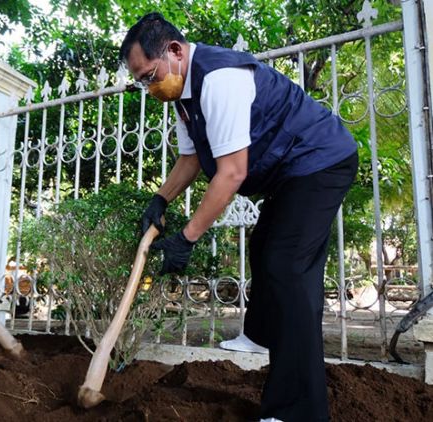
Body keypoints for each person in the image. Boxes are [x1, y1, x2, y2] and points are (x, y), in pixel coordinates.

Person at [121, 13, 357, 422]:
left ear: (175, 51)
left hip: (321, 160)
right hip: (291, 172)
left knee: (288, 269)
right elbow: (191, 158)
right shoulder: (184, 96)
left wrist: (187, 238)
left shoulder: (219, 79)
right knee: (267, 247)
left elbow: (231, 173)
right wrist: (159, 200)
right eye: (141, 80)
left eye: (149, 75)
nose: (149, 87)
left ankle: (297, 410)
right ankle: (261, 335)